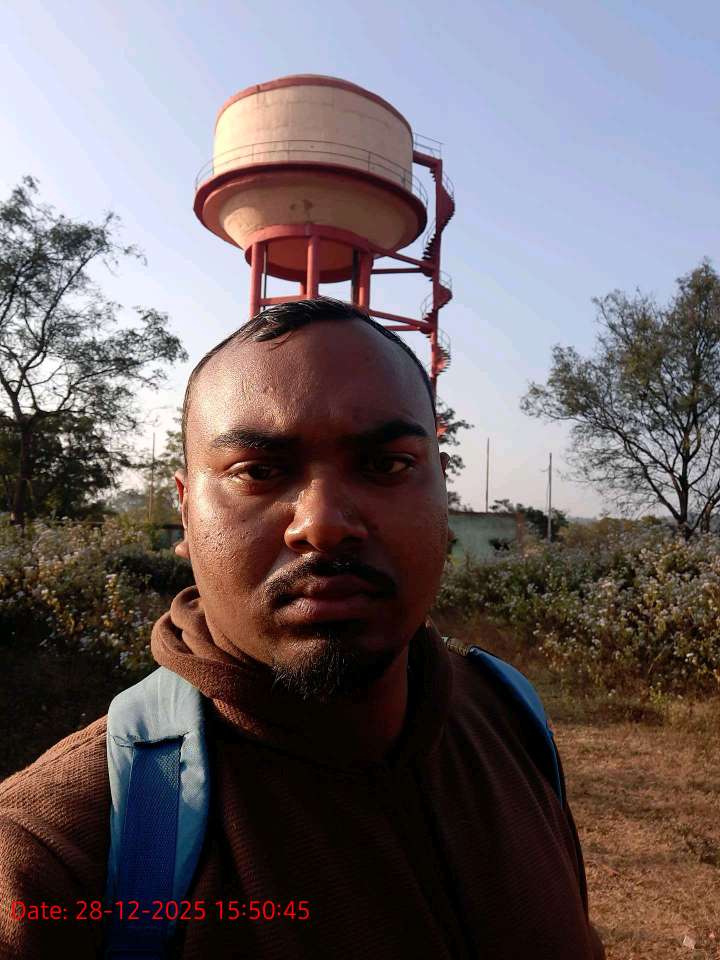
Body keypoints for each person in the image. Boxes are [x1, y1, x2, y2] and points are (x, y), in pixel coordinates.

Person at [0, 296, 604, 959]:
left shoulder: (509, 716)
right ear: (186, 512)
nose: (322, 524)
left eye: (387, 465)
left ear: (441, 492)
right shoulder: (51, 853)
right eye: (259, 472)